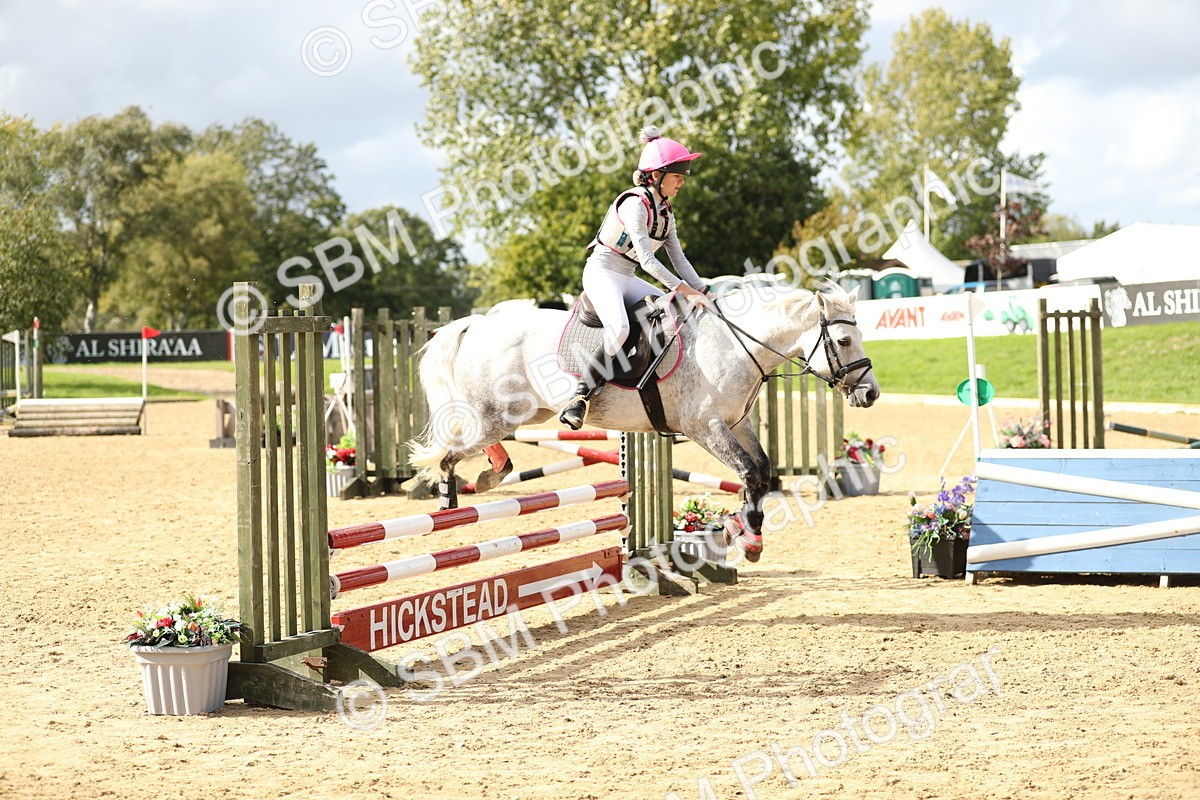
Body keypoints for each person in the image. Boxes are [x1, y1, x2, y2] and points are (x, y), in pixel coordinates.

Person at [558, 126, 713, 430]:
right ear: (656, 176)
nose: (682, 182)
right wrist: (687, 290)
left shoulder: (666, 213)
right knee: (618, 328)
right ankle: (580, 396)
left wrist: (704, 290)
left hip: (626, 276)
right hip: (602, 272)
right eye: (677, 176)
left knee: (670, 311)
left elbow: (679, 259)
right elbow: (647, 260)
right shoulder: (635, 205)